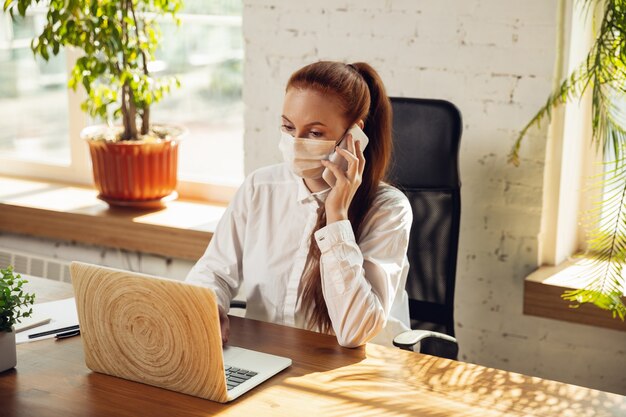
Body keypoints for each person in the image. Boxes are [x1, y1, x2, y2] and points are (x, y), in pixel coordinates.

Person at [186, 61, 412, 348]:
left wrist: (337, 216)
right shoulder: (260, 187)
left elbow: (355, 331)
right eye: (288, 127)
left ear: (354, 136)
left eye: (315, 133)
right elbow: (214, 271)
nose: (295, 142)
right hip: (265, 356)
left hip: (350, 374)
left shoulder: (389, 210)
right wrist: (210, 306)